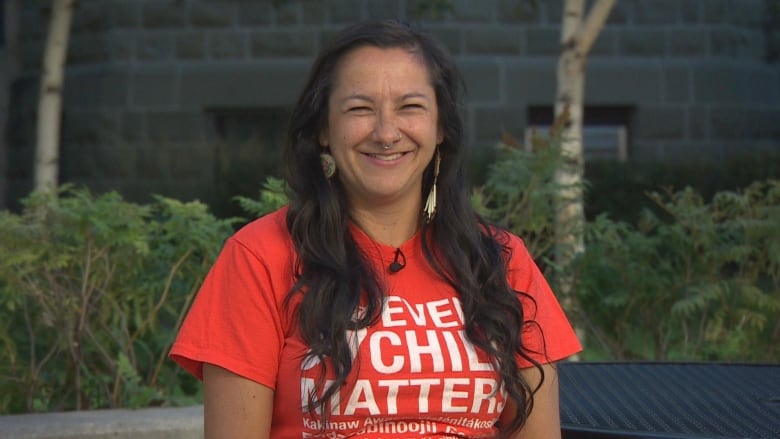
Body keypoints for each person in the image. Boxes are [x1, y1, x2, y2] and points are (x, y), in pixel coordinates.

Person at [170, 19, 581, 439]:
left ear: (441, 128)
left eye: (410, 107)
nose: (386, 133)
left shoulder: (501, 260)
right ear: (324, 131)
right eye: (359, 108)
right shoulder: (259, 256)